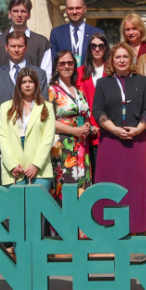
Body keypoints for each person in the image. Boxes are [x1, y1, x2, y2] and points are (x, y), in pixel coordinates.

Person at [92, 43, 146, 234]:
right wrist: (115, 130)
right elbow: (98, 110)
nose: (121, 60)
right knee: (111, 184)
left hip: (137, 141)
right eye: (117, 57)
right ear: (112, 60)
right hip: (110, 142)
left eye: (125, 57)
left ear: (131, 60)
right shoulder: (103, 83)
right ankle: (108, 227)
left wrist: (138, 129)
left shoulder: (142, 81)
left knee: (136, 186)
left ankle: (137, 228)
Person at [0, 67, 55, 191]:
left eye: (31, 81)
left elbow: (48, 138)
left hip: (40, 168)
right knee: (17, 209)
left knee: (37, 208)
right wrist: (12, 165)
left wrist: (36, 165)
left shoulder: (47, 107)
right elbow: (3, 137)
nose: (27, 85)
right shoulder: (5, 107)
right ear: (19, 85)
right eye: (24, 82)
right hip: (14, 168)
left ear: (36, 84)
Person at [48, 50, 96, 198]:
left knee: (82, 185)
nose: (66, 66)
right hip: (63, 146)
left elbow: (84, 115)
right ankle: (64, 220)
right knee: (66, 186)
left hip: (81, 145)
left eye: (70, 63)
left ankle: (80, 220)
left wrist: (89, 126)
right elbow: (48, 121)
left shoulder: (78, 89)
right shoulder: (52, 90)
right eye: (62, 63)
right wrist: (72, 131)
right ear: (56, 67)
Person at [0, 32, 43, 127]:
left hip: (32, 131)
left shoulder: (39, 74)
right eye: (13, 46)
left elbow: (42, 102)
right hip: (4, 132)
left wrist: (28, 126)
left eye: (20, 46)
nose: (16, 50)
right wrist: (7, 126)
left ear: (26, 48)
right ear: (6, 47)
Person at [0, 0, 51, 69]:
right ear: (9, 14)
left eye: (23, 11)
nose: (19, 15)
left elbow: (46, 75)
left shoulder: (41, 42)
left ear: (29, 15)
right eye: (15, 11)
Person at [49, 0, 104, 68]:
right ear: (66, 10)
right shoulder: (57, 33)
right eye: (71, 8)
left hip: (89, 77)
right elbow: (53, 61)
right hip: (66, 77)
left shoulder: (97, 33)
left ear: (85, 9)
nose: (74, 12)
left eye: (78, 8)